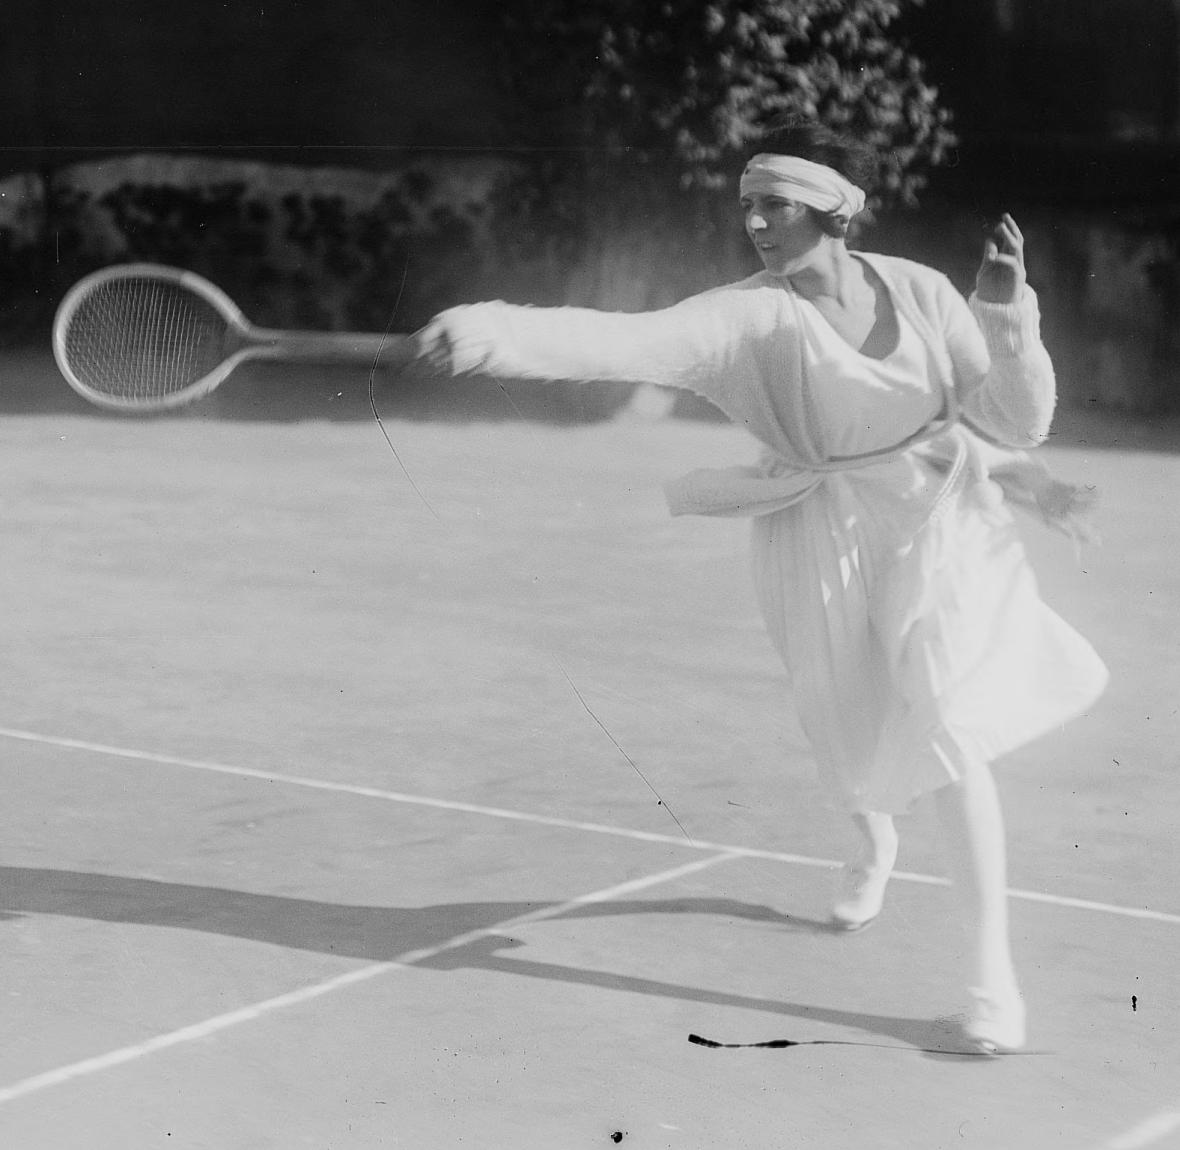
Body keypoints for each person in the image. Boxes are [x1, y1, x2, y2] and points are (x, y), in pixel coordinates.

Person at [410, 118, 1108, 1054]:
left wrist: (1005, 313)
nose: (756, 221)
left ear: (838, 208)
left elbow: (1015, 424)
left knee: (950, 733)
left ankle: (994, 988)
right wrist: (490, 332)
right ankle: (871, 844)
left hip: (942, 519)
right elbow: (619, 340)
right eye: (748, 205)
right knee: (848, 728)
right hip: (818, 529)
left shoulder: (925, 291)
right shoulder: (745, 316)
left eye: (775, 203)